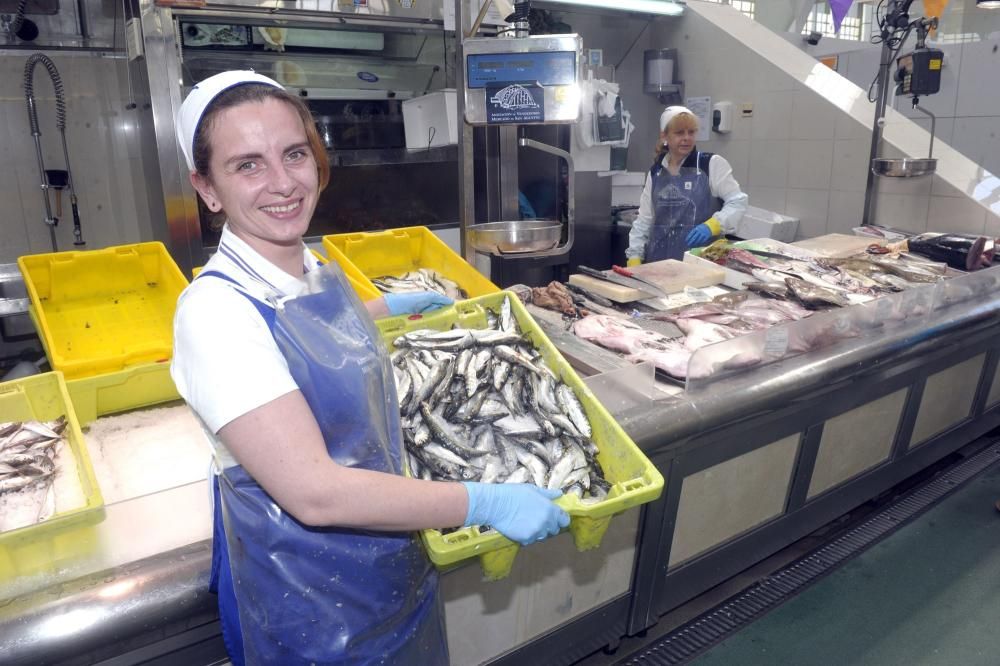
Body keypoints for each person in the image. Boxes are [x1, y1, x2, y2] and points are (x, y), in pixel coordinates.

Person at [170, 71, 569, 665]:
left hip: (387, 557)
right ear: (206, 188)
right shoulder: (213, 314)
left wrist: (383, 309)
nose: (282, 183)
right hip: (307, 599)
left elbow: (300, 333)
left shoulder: (307, 262)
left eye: (295, 154)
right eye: (247, 165)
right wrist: (483, 503)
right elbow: (315, 494)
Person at [625, 105, 748, 265]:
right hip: (658, 264)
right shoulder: (655, 172)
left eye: (691, 132)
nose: (687, 138)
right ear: (664, 137)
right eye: (679, 132)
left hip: (701, 263)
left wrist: (714, 225)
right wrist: (634, 256)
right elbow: (644, 220)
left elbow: (738, 202)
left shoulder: (710, 164)